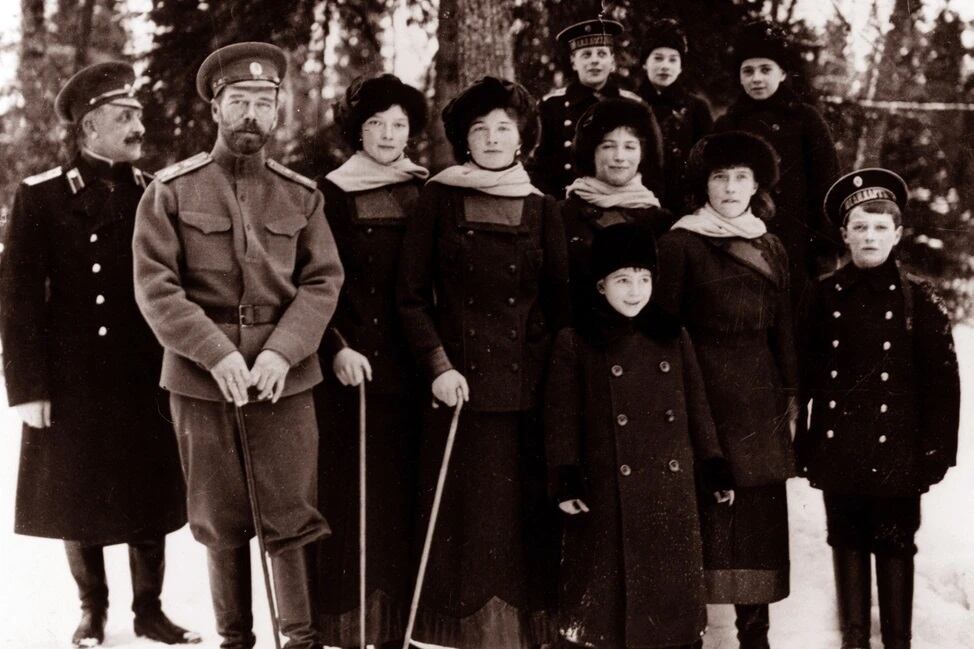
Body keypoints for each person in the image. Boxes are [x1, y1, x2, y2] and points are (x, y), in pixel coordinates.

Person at [132, 42, 344, 649]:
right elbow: (156, 289)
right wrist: (216, 353)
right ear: (217, 111)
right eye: (238, 102)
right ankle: (235, 640)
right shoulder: (170, 192)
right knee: (219, 520)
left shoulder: (301, 196)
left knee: (292, 516)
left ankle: (299, 641)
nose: (251, 113)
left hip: (287, 376)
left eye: (262, 102)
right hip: (202, 379)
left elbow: (323, 281)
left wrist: (282, 352)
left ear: (277, 112)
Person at [0, 61, 197, 648]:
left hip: (144, 376)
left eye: (137, 114)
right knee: (76, 493)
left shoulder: (155, 191)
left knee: (149, 494)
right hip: (72, 379)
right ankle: (93, 611)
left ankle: (150, 611)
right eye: (125, 116)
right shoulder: (41, 198)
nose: (139, 125)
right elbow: (18, 302)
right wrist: (29, 388)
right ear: (90, 128)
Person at [397, 76, 571, 648]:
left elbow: (557, 302)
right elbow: (411, 296)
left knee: (519, 523)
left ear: (521, 136)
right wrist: (439, 365)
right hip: (457, 391)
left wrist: (544, 375)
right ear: (463, 140)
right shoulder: (438, 198)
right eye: (480, 129)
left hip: (524, 394)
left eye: (503, 127)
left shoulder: (542, 205)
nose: (493, 138)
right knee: (464, 524)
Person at [543, 221, 734, 649]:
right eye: (622, 280)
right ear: (600, 286)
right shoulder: (576, 341)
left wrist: (713, 464)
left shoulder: (672, 335)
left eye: (644, 279)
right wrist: (565, 477)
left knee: (672, 612)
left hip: (672, 492)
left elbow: (696, 407)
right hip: (607, 492)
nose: (635, 290)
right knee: (607, 612)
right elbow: (562, 420)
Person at [796, 169, 960, 649]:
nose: (870, 237)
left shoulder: (919, 298)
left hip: (897, 459)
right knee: (845, 544)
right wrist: (804, 444)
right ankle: (853, 642)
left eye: (880, 227)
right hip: (840, 452)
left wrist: (936, 454)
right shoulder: (823, 295)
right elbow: (804, 377)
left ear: (898, 234)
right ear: (844, 234)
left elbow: (943, 386)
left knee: (894, 547)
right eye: (860, 227)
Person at [654, 131, 799, 649]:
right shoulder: (679, 243)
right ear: (704, 185)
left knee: (756, 529)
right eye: (720, 177)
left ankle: (754, 639)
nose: (731, 188)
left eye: (741, 177)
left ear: (757, 184)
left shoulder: (771, 244)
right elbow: (664, 330)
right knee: (698, 523)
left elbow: (783, 329)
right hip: (702, 394)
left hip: (759, 402)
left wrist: (790, 398)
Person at [310, 73, 429, 649]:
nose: (388, 134)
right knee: (357, 502)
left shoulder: (425, 189)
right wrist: (336, 348)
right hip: (353, 370)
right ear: (357, 130)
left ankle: (399, 631)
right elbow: (312, 282)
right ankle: (349, 629)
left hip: (413, 371)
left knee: (406, 499)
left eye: (399, 124)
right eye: (376, 123)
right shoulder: (329, 192)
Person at [714, 20, 840, 310]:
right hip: (738, 246)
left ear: (782, 73)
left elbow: (827, 184)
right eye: (748, 71)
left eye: (765, 69)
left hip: (798, 249)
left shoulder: (806, 120)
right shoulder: (727, 124)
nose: (757, 78)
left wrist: (825, 252)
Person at [558, 97, 673, 328]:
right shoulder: (563, 214)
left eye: (630, 146)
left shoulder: (660, 220)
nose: (619, 156)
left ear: (643, 153)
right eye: (608, 145)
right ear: (591, 151)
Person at [533, 16, 663, 198]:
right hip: (567, 208)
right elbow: (537, 168)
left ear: (612, 61)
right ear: (573, 61)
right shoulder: (551, 106)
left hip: (625, 204)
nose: (594, 61)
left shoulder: (634, 106)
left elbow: (653, 166)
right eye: (586, 54)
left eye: (601, 54)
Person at [637, 18, 713, 212]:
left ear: (680, 66)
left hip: (684, 206)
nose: (665, 66)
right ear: (645, 63)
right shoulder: (631, 104)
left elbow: (707, 162)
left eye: (673, 59)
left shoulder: (696, 108)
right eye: (658, 58)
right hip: (637, 201)